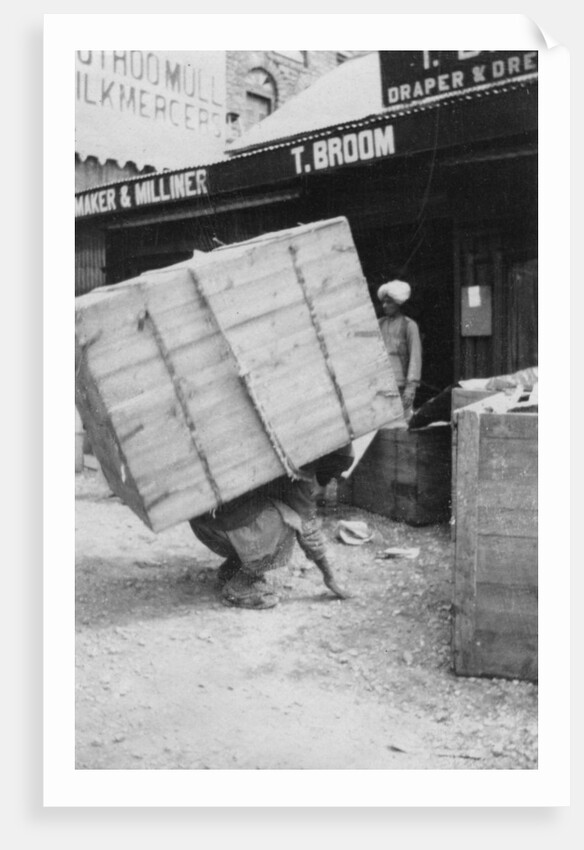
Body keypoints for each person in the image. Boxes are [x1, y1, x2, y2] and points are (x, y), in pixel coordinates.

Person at [188, 448, 353, 609]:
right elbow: (309, 533)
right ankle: (238, 588)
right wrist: (329, 577)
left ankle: (232, 570)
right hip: (217, 529)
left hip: (204, 519)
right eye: (336, 474)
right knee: (286, 523)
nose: (336, 479)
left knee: (262, 515)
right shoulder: (301, 480)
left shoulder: (287, 453)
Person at [377, 280, 422, 422]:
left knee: (402, 424)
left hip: (400, 387)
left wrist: (411, 388)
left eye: (389, 302)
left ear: (398, 303)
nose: (384, 306)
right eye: (383, 302)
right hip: (381, 386)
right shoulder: (379, 323)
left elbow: (415, 357)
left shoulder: (409, 325)